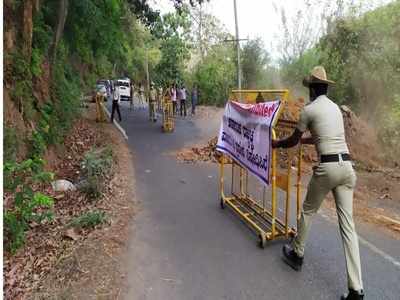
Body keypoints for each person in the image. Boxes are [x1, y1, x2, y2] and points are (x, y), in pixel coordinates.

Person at [272, 66, 364, 300]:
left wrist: (276, 144)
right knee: (348, 227)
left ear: (312, 89)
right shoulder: (335, 109)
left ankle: (297, 254)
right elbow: (323, 135)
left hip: (328, 169)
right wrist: (305, 139)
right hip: (347, 169)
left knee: (308, 210)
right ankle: (357, 289)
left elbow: (292, 140)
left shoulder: (309, 110)